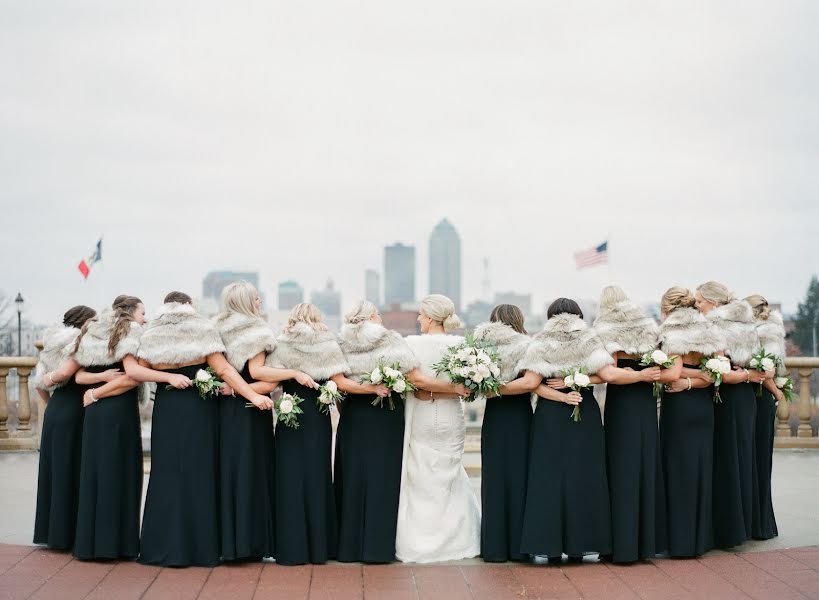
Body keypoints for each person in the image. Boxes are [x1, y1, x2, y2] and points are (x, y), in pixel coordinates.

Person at [395, 294, 479, 563]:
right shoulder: (462, 345)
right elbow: (468, 385)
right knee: (450, 472)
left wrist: (433, 392)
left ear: (430, 317)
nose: (418, 318)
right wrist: (453, 390)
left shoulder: (413, 344)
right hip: (451, 415)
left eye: (421, 314)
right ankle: (459, 539)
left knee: (421, 473)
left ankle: (420, 539)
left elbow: (415, 378)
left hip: (423, 414)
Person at [32, 305, 98, 551]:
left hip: (56, 410)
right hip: (76, 409)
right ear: (84, 322)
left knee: (55, 471)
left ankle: (53, 533)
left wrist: (53, 406)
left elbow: (39, 385)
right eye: (94, 320)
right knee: (74, 469)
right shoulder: (79, 343)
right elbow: (65, 374)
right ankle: (70, 534)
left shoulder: (51, 345)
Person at [473, 305, 531, 562]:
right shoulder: (527, 345)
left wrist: (493, 388)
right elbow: (532, 382)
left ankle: (494, 547)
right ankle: (520, 547)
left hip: (494, 417)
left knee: (494, 479)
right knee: (521, 479)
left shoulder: (481, 349)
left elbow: (476, 386)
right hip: (521, 416)